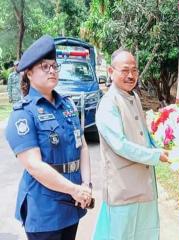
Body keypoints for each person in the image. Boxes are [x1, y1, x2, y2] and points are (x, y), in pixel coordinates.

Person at [5, 35, 92, 240]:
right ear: (29, 74)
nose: (52, 70)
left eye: (54, 66)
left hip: (72, 206)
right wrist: (75, 190)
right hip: (44, 210)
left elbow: (84, 147)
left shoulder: (67, 106)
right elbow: (34, 166)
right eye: (45, 66)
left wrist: (86, 185)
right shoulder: (23, 114)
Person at [92, 49, 170, 240]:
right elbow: (120, 145)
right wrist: (155, 156)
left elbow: (142, 135)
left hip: (144, 188)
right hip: (123, 191)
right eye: (125, 70)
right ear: (111, 71)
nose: (131, 75)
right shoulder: (108, 103)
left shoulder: (133, 97)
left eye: (134, 70)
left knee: (147, 235)